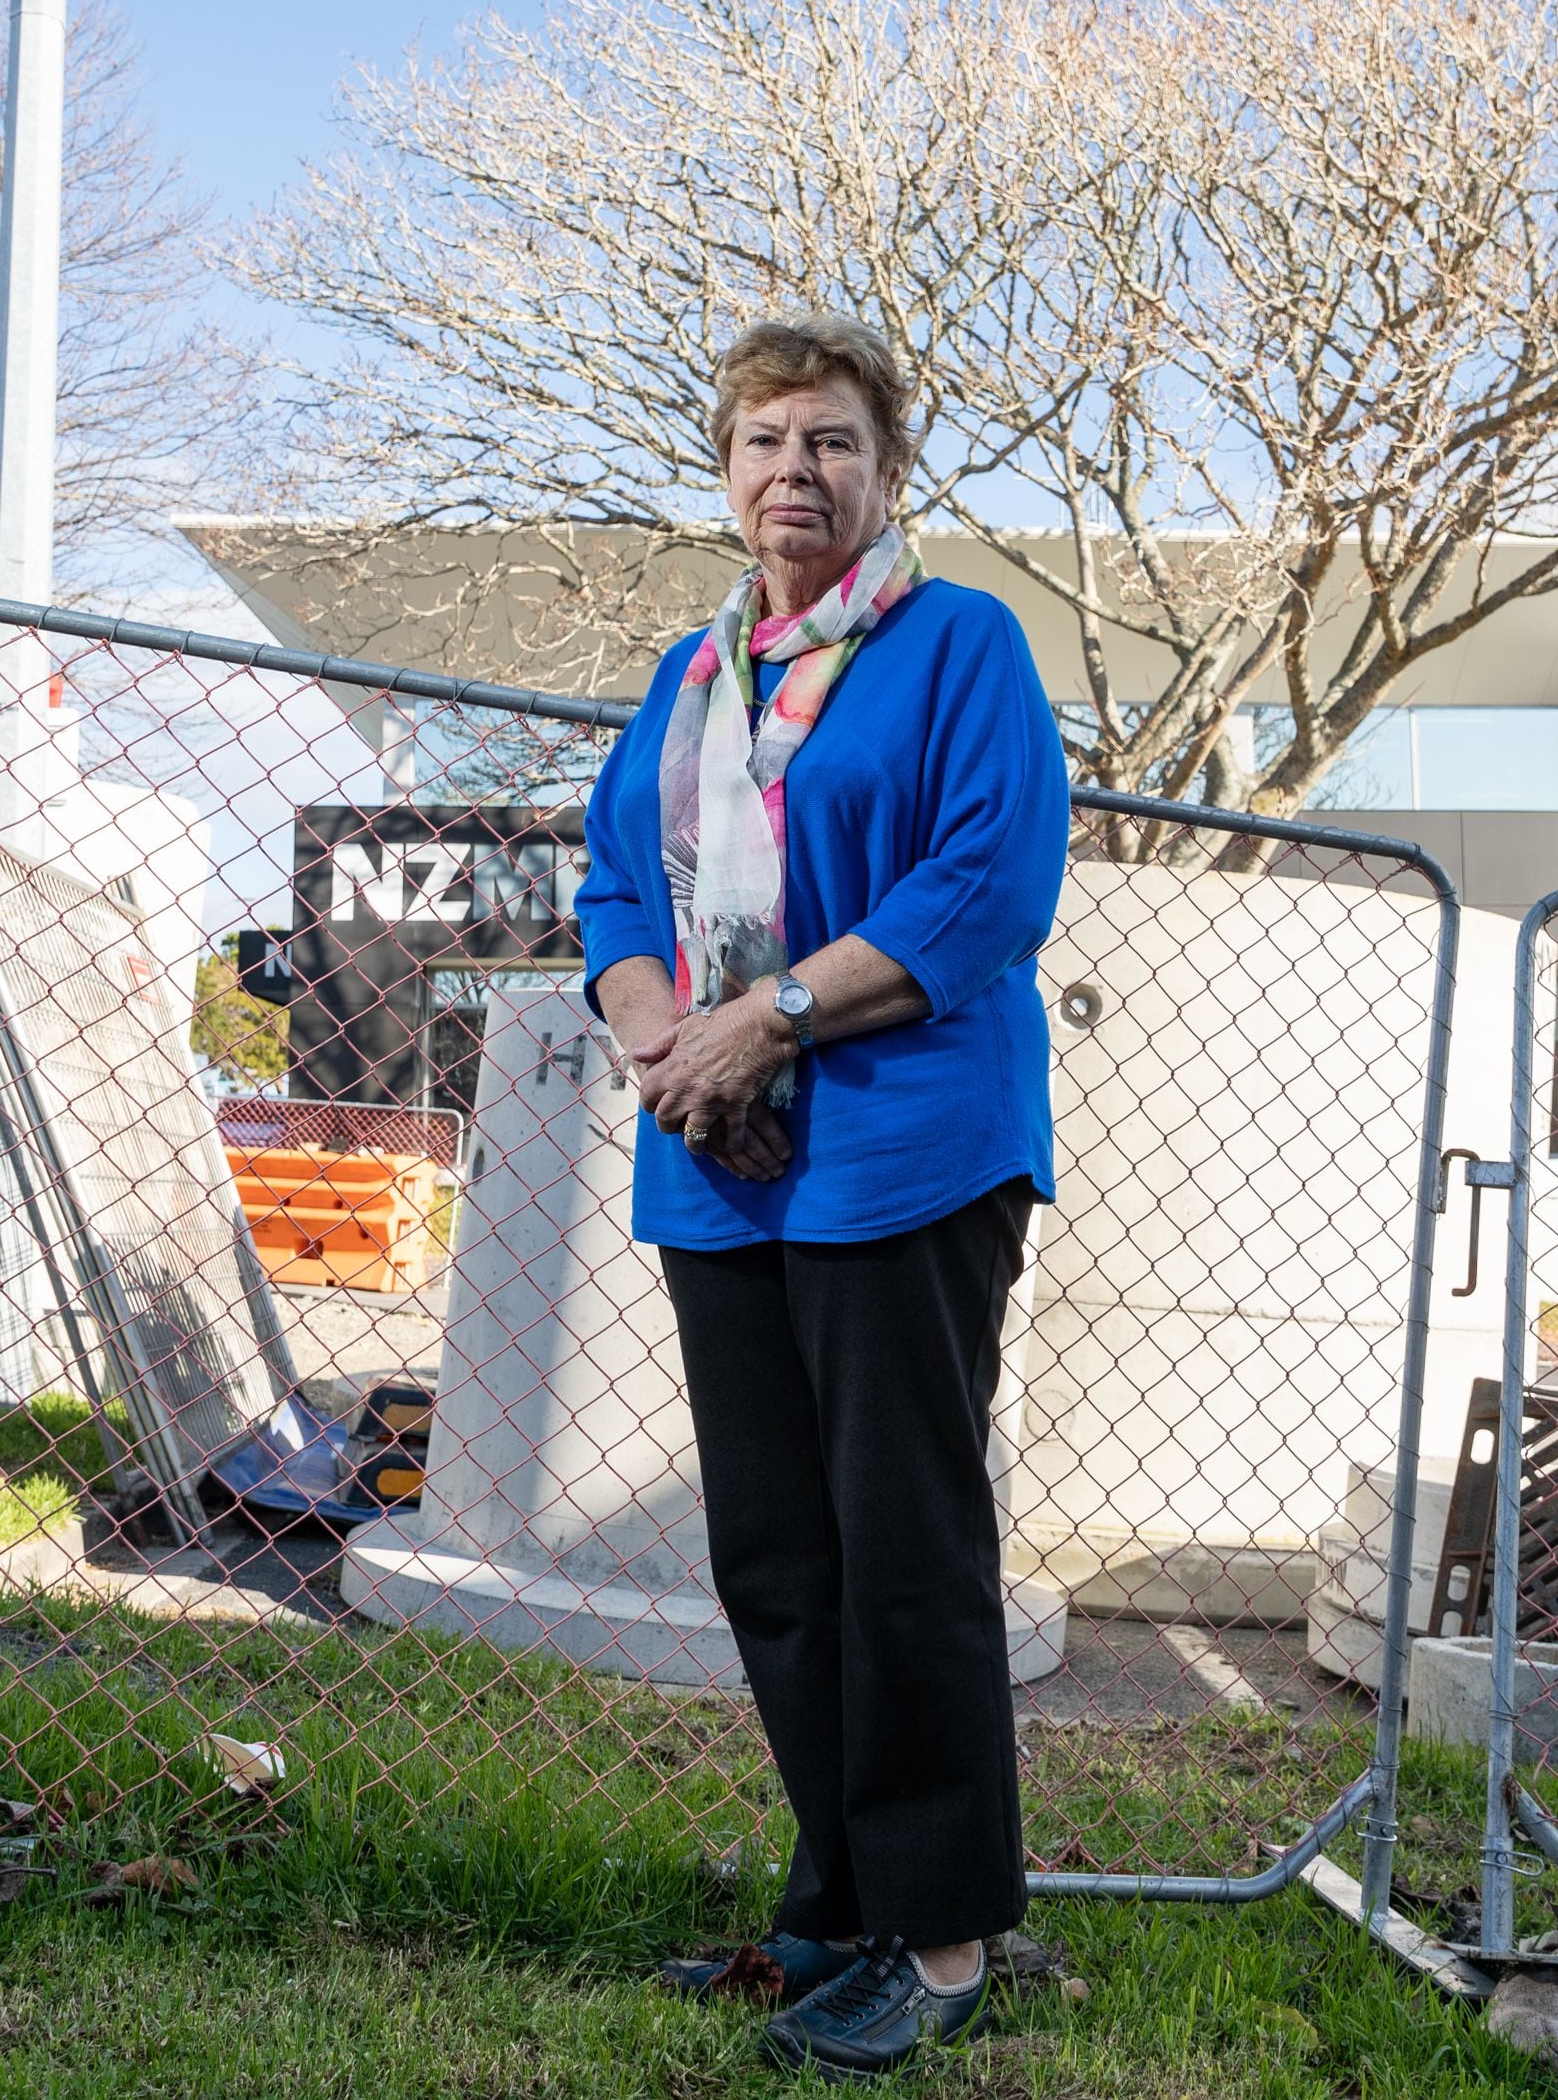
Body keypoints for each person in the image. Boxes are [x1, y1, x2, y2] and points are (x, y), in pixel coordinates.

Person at [575, 314, 1068, 2077]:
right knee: (777, 1558)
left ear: (888, 470)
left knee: (904, 1544)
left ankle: (942, 1940)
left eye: (836, 440)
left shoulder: (958, 645)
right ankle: (844, 1899)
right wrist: (667, 1041)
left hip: (903, 1150)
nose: (800, 468)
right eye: (769, 439)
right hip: (719, 1161)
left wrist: (767, 1016)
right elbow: (618, 886)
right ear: (727, 472)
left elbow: (987, 884)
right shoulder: (689, 678)